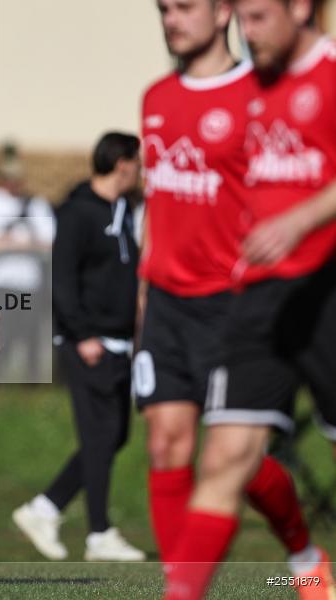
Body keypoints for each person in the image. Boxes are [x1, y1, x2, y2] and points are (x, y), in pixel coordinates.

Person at [137, 0, 318, 579]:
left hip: (232, 302)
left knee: (237, 460)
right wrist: (143, 288)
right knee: (166, 444)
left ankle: (304, 554)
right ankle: (179, 584)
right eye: (164, 9)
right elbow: (156, 200)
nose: (171, 20)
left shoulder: (258, 92)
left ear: (222, 14)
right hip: (166, 302)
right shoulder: (156, 97)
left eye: (184, 8)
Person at [13, 132, 145, 562]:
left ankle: (45, 508)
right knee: (99, 436)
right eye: (137, 162)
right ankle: (99, 534)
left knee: (113, 435)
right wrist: (83, 334)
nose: (141, 170)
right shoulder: (77, 211)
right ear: (122, 163)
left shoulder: (124, 210)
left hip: (120, 342)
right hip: (87, 343)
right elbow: (63, 278)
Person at [0, 161, 55, 377]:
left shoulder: (36, 204)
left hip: (31, 284)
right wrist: (22, 242)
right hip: (1, 282)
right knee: (2, 332)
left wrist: (13, 242)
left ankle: (30, 381)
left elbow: (49, 241)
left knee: (30, 334)